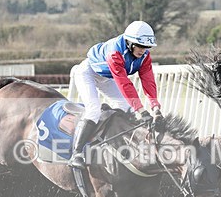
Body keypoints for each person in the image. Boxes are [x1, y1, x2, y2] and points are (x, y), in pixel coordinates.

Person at [68, 20, 164, 169]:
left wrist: (155, 108)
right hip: (87, 73)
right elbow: (124, 83)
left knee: (125, 106)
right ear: (129, 43)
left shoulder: (145, 56)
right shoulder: (115, 52)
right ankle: (77, 153)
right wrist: (141, 111)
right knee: (93, 109)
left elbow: (148, 81)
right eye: (140, 46)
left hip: (106, 77)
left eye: (146, 47)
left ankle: (110, 141)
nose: (143, 50)